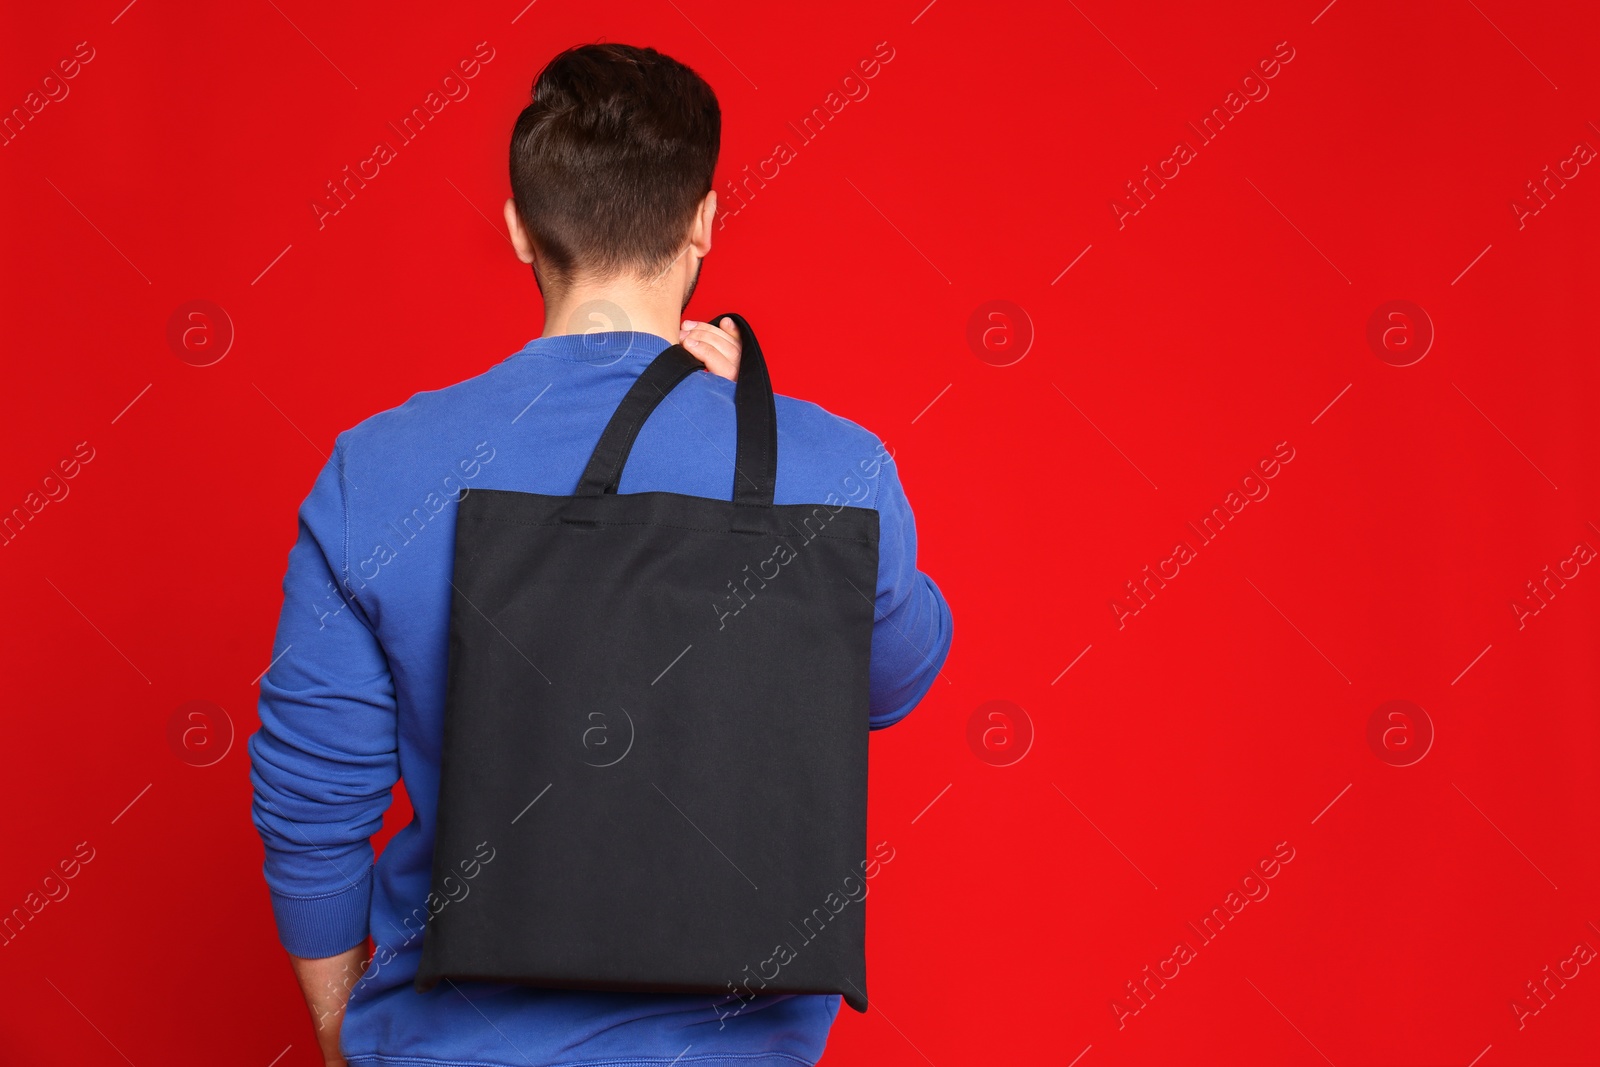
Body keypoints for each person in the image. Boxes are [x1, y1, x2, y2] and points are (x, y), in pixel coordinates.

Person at [248, 42, 953, 1067]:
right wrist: (778, 446)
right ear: (704, 220)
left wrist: (335, 1029)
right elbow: (888, 677)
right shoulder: (832, 463)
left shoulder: (379, 467)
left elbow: (311, 803)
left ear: (518, 231)